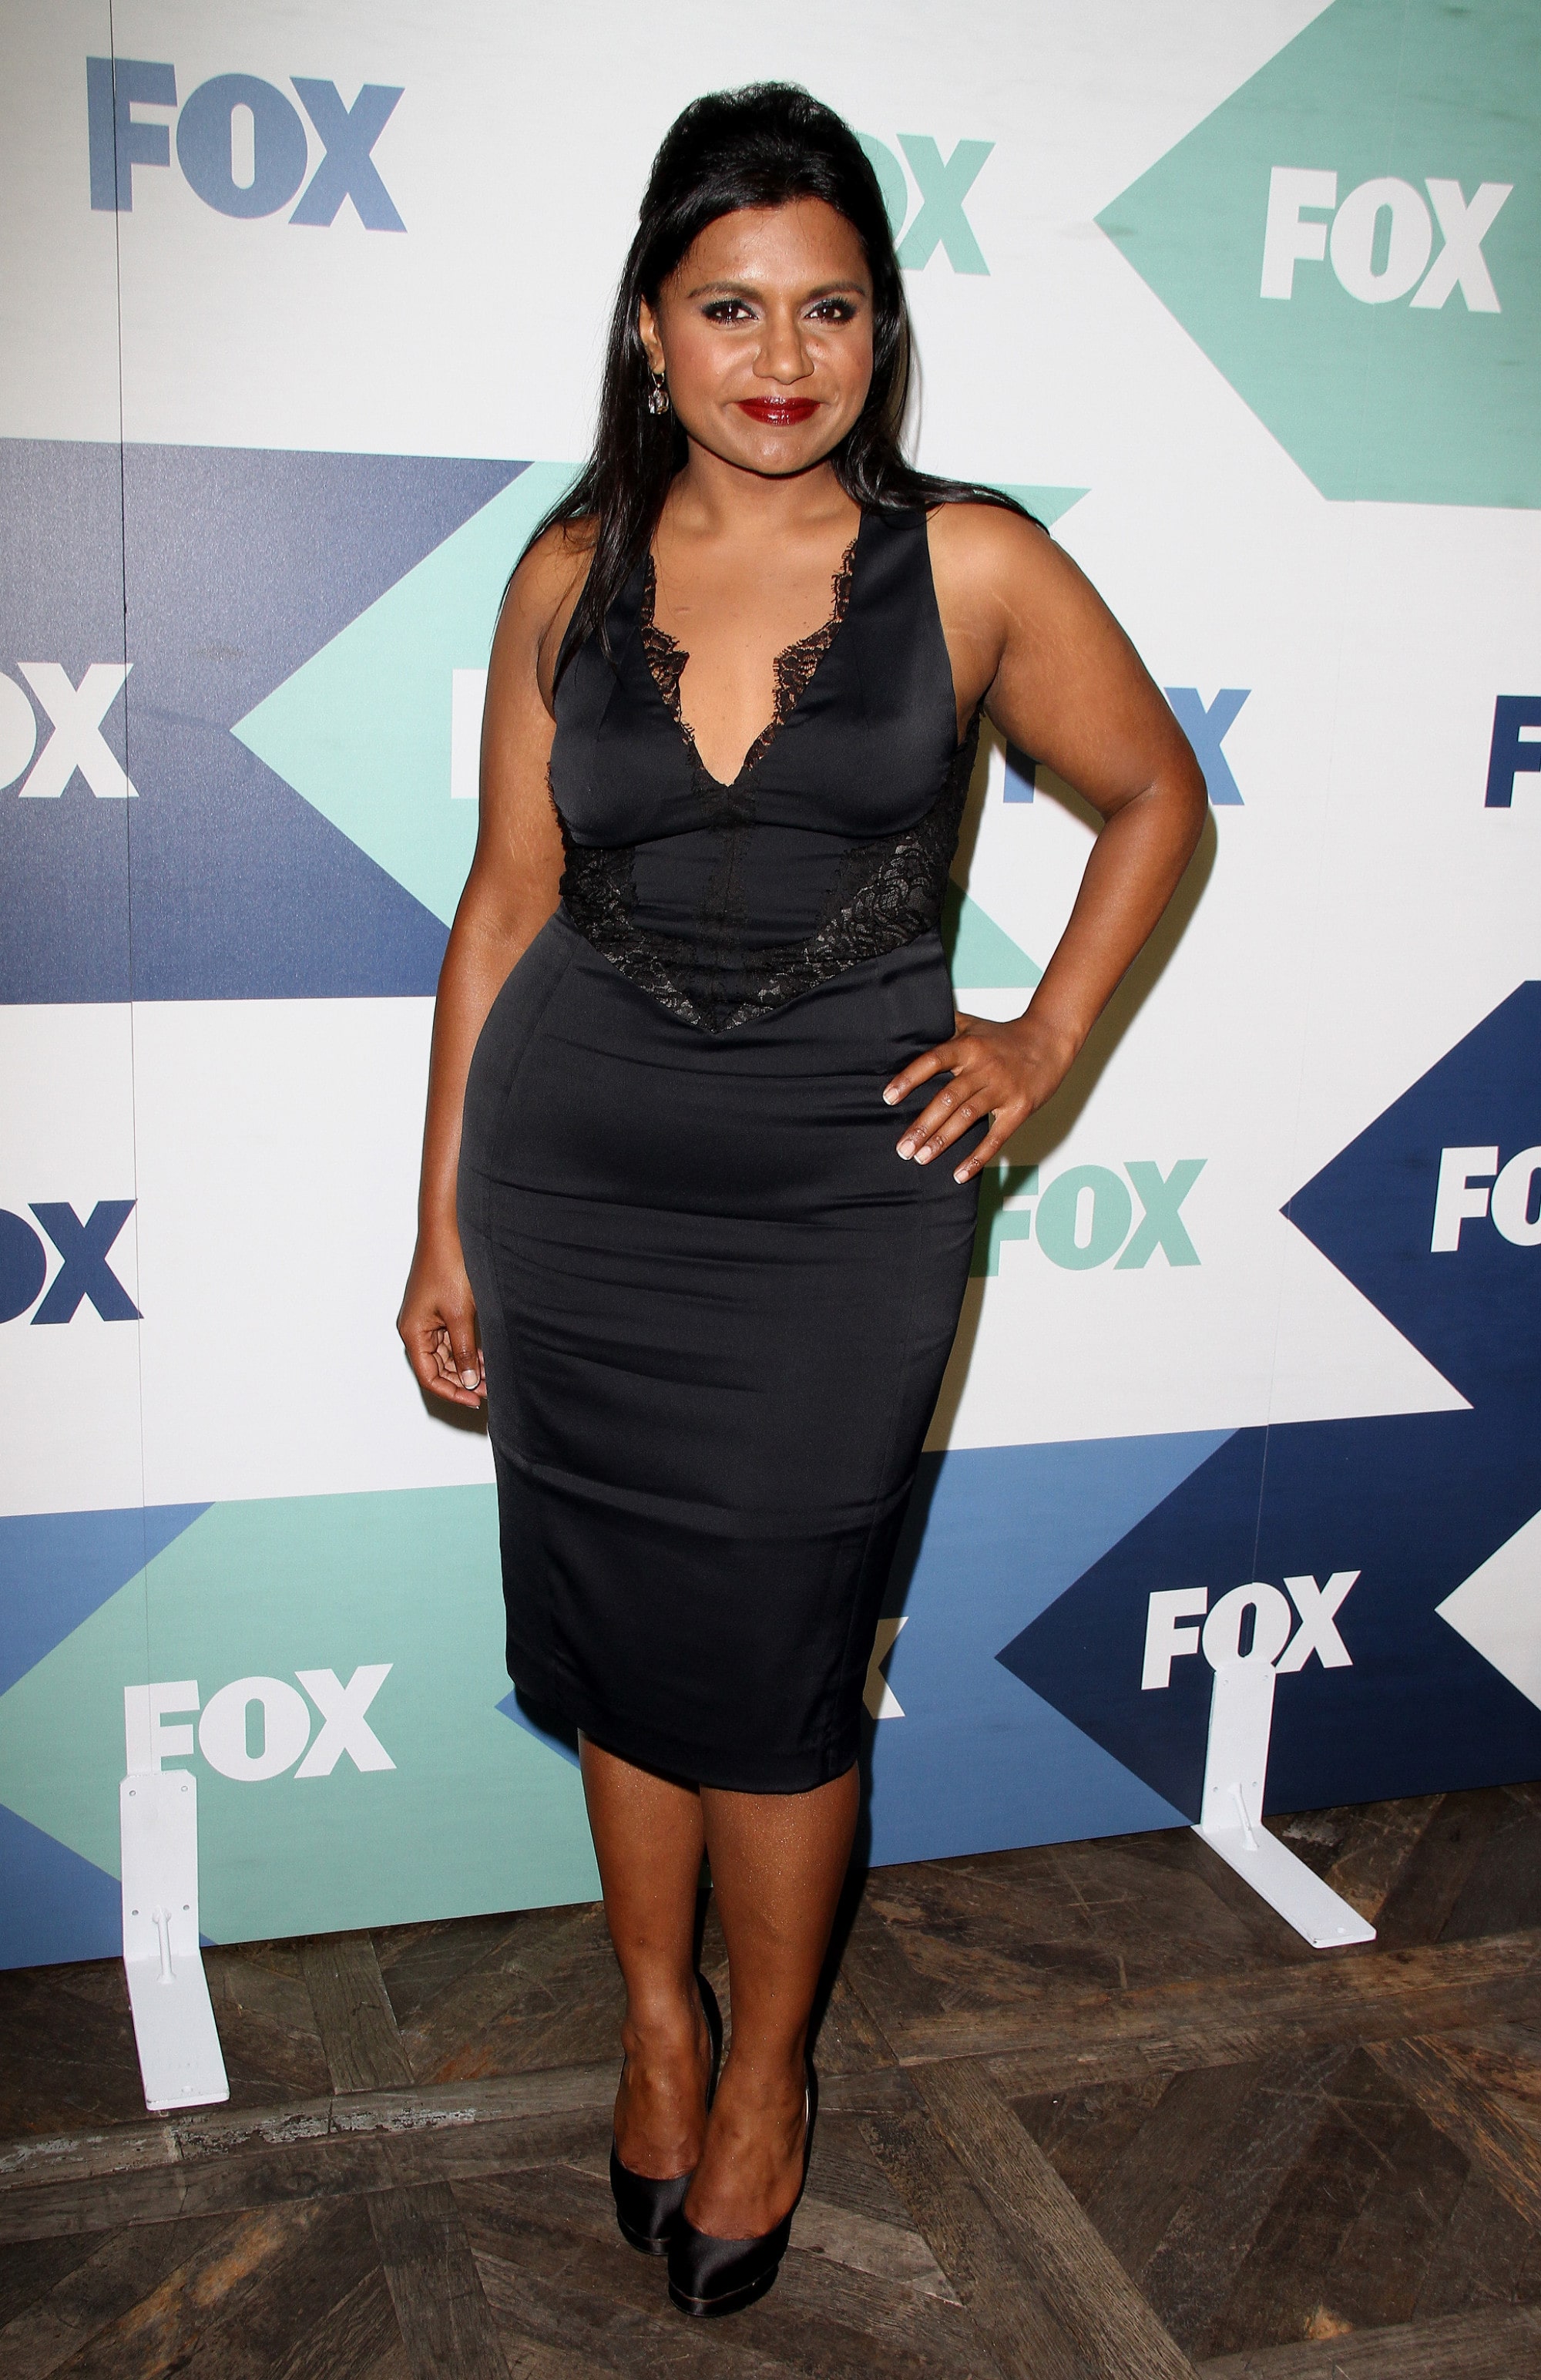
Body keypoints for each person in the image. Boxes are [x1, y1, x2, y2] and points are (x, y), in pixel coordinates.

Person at [398, 82, 1206, 2319]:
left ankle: (770, 2075)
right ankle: (657, 2034)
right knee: (626, 1647)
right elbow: (504, 904)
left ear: (882, 330)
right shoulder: (563, 571)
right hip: (576, 1178)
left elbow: (1154, 797)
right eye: (732, 304)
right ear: (650, 327)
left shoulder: (977, 566)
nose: (782, 354)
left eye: (829, 307)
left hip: (846, 1204)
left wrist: (1043, 1039)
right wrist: (443, 1223)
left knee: (771, 1660)